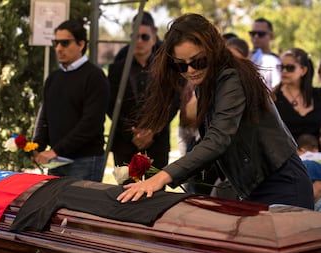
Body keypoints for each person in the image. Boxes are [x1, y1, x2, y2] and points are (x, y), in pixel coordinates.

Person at [117, 13, 314, 210]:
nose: (191, 70)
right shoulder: (206, 82)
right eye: (181, 65)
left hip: (282, 183)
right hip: (256, 185)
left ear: (212, 50)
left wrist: (162, 177)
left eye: (198, 61)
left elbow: (218, 139)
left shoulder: (231, 77)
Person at [33, 20, 110, 182]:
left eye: (65, 43)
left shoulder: (94, 77)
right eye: (56, 42)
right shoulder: (53, 78)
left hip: (85, 160)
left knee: (81, 207)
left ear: (81, 44)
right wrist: (35, 146)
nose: (59, 48)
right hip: (56, 162)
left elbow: (90, 123)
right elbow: (45, 116)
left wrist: (56, 150)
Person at [107, 12, 178, 169]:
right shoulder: (117, 69)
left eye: (144, 37)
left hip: (157, 143)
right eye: (134, 36)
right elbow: (110, 104)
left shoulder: (167, 68)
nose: (138, 41)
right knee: (125, 192)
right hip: (125, 144)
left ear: (153, 38)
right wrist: (131, 133)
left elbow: (173, 101)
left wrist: (153, 130)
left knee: (156, 192)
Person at [272, 48, 321, 150]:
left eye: (290, 68)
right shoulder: (273, 97)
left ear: (303, 70)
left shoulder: (318, 95)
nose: (284, 71)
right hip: (286, 158)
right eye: (281, 67)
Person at [249, 18, 281, 89]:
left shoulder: (275, 61)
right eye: (253, 34)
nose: (256, 37)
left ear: (271, 36)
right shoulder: (244, 57)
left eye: (261, 34)